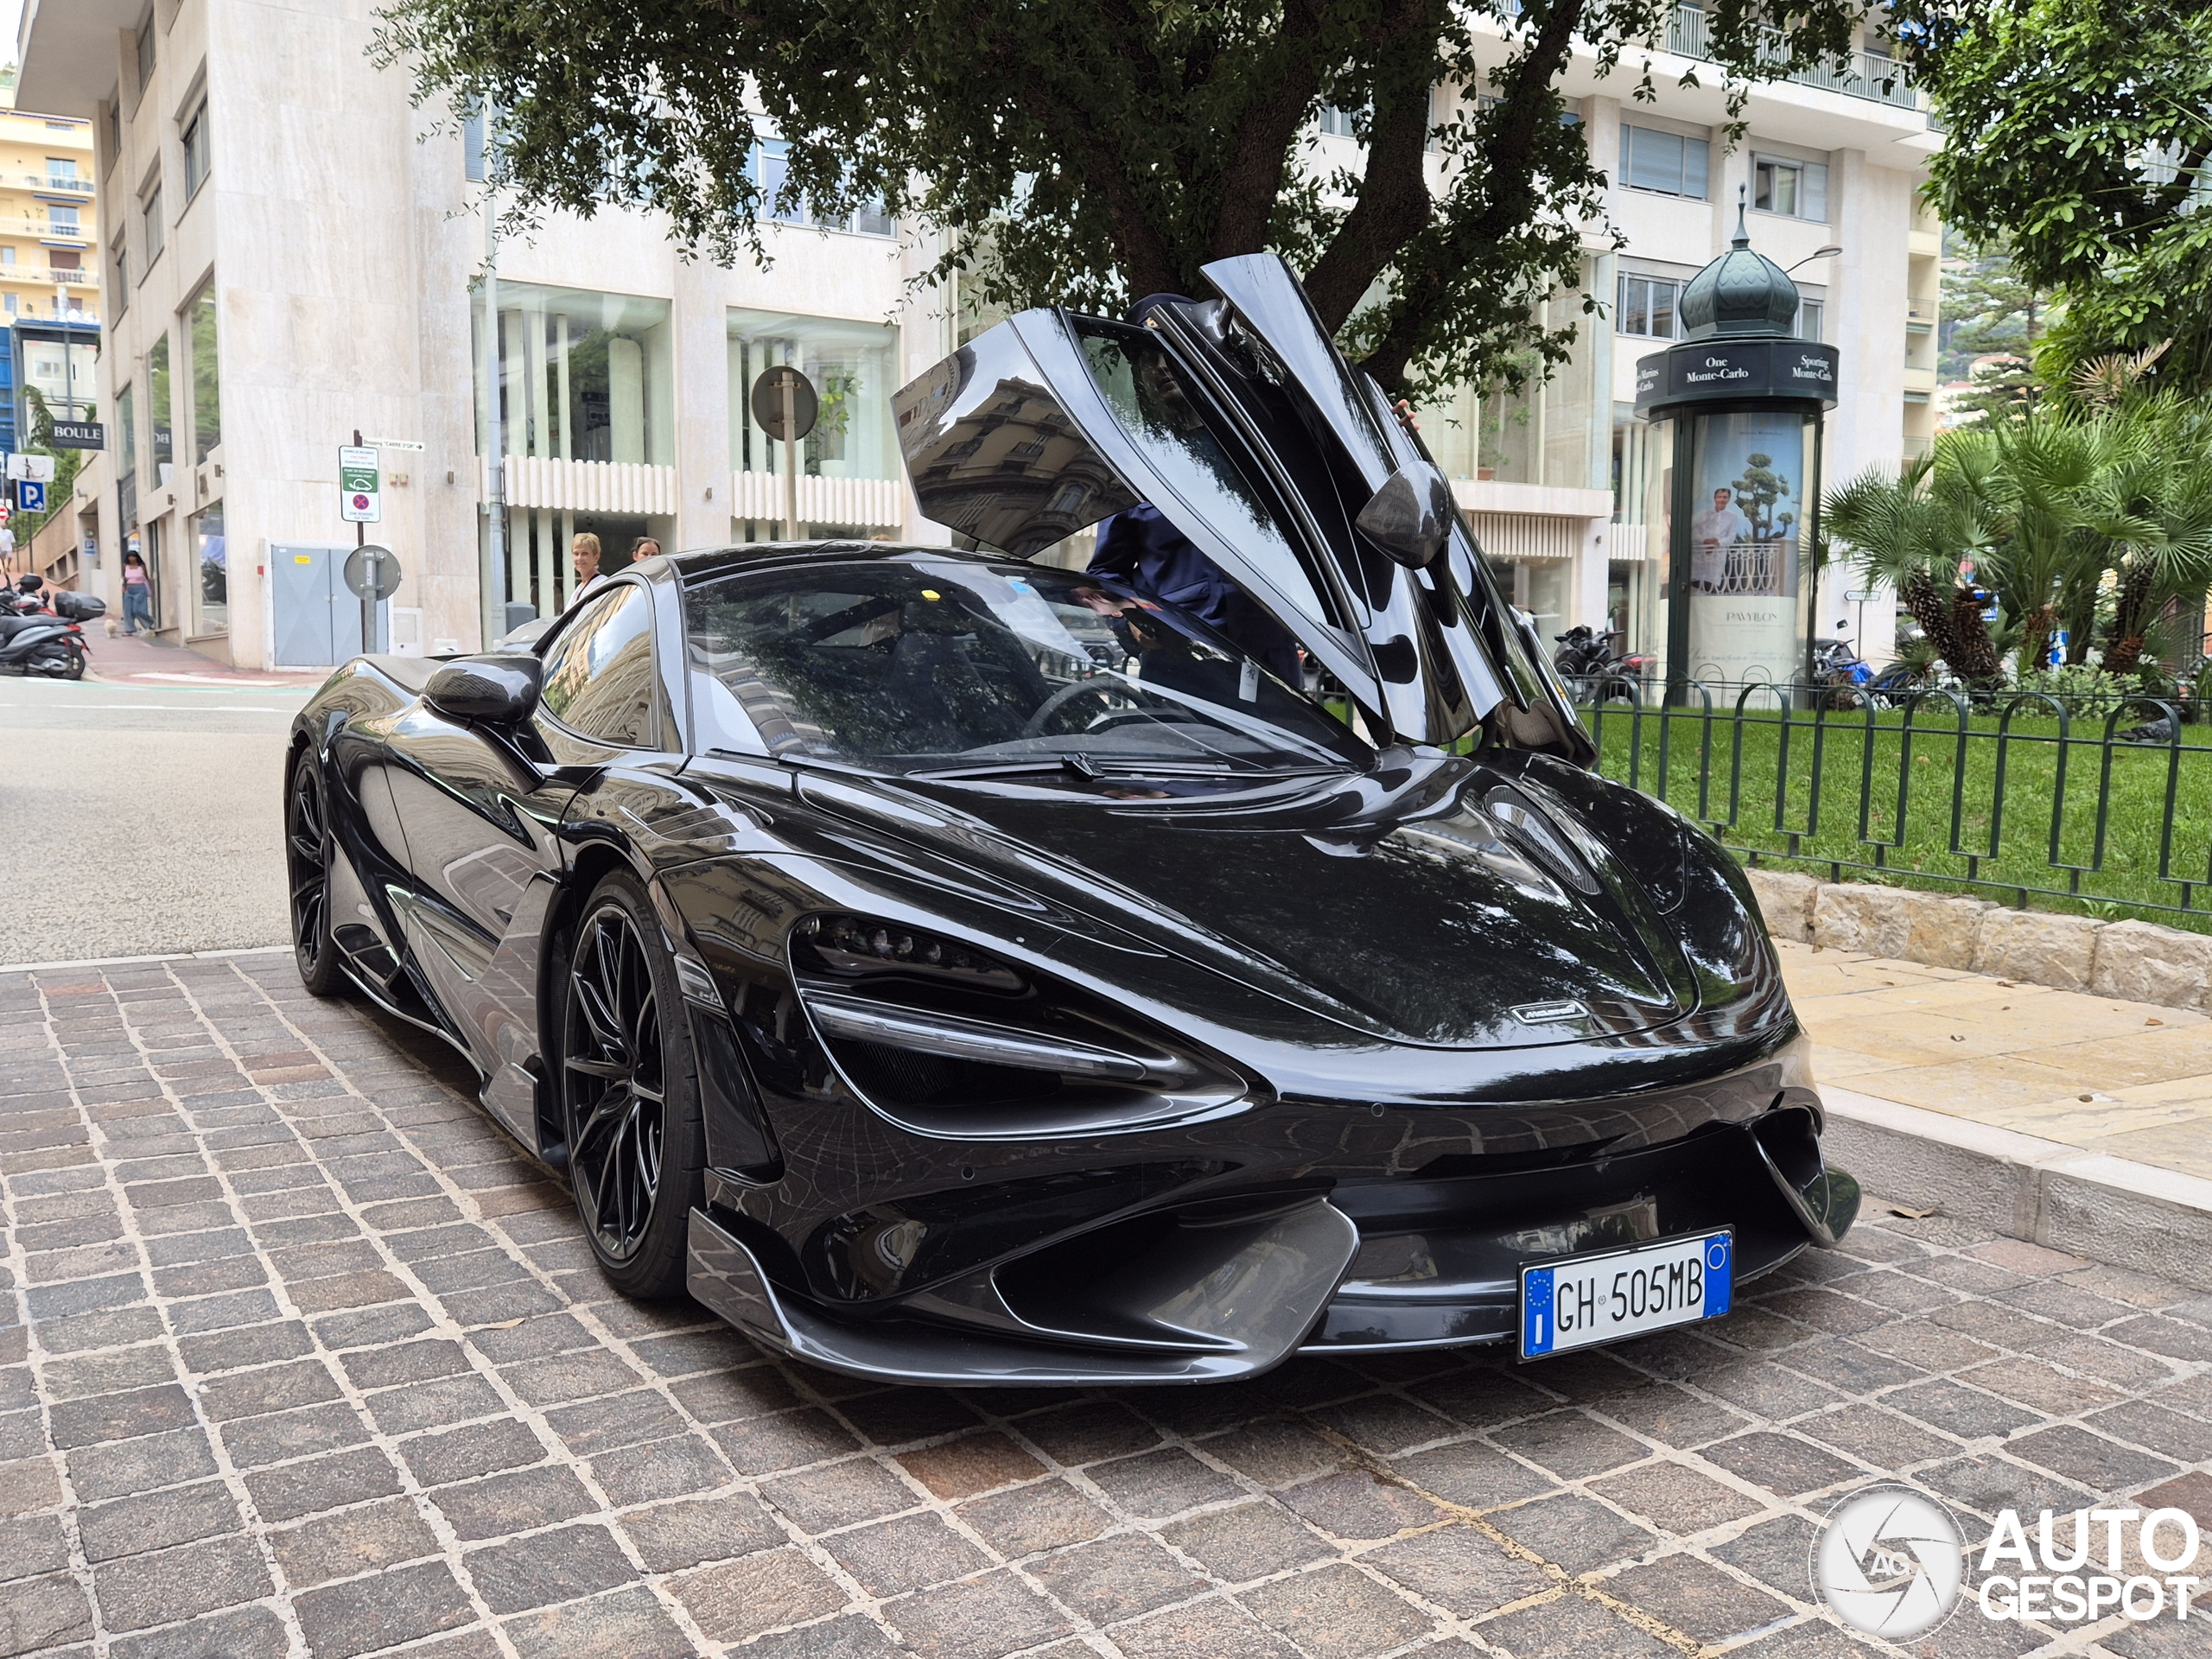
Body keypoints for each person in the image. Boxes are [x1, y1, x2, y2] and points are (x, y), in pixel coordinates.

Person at [1086, 293, 1302, 684]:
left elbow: (1338, 505)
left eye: (1175, 351)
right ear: (1139, 374)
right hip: (1180, 671)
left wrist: (1390, 438)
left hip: (1269, 669)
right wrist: (1132, 625)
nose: (1163, 366)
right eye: (1149, 356)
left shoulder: (1263, 448)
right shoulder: (1134, 467)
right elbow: (1106, 576)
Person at [1690, 486, 1751, 593]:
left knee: (1712, 585)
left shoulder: (1732, 517)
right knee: (1696, 584)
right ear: (1715, 499)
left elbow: (1731, 538)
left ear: (1728, 500)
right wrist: (1706, 541)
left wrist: (1716, 543)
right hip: (1700, 555)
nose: (1721, 500)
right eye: (1719, 497)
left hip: (1718, 555)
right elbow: (1694, 533)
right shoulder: (1704, 514)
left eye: (1724, 497)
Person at [121, 550, 152, 634]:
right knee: (128, 610)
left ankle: (149, 623)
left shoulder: (141, 566)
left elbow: (146, 577)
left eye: (133, 556)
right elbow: (124, 577)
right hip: (129, 588)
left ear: (136, 557)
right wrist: (124, 587)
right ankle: (129, 630)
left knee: (138, 609)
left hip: (140, 588)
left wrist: (150, 588)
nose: (132, 559)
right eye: (130, 557)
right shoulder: (125, 566)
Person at [571, 532, 606, 601]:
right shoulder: (579, 588)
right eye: (576, 554)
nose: (579, 558)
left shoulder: (602, 584)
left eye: (584, 554)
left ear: (596, 557)